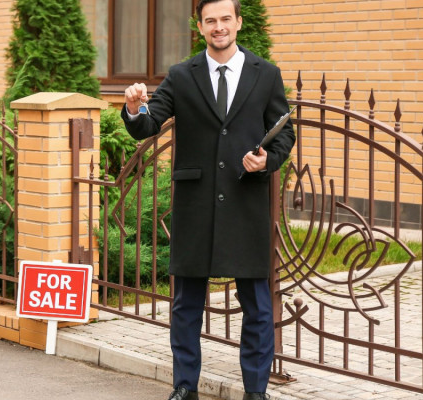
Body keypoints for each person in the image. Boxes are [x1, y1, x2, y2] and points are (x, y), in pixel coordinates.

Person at [121, 1, 295, 399]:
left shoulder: (265, 74)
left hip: (246, 201)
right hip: (195, 204)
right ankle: (185, 387)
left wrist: (269, 159)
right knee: (185, 306)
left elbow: (284, 131)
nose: (219, 27)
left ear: (238, 23)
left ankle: (256, 390)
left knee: (257, 306)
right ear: (199, 27)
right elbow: (148, 124)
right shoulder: (183, 75)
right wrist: (133, 110)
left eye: (225, 19)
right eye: (210, 21)